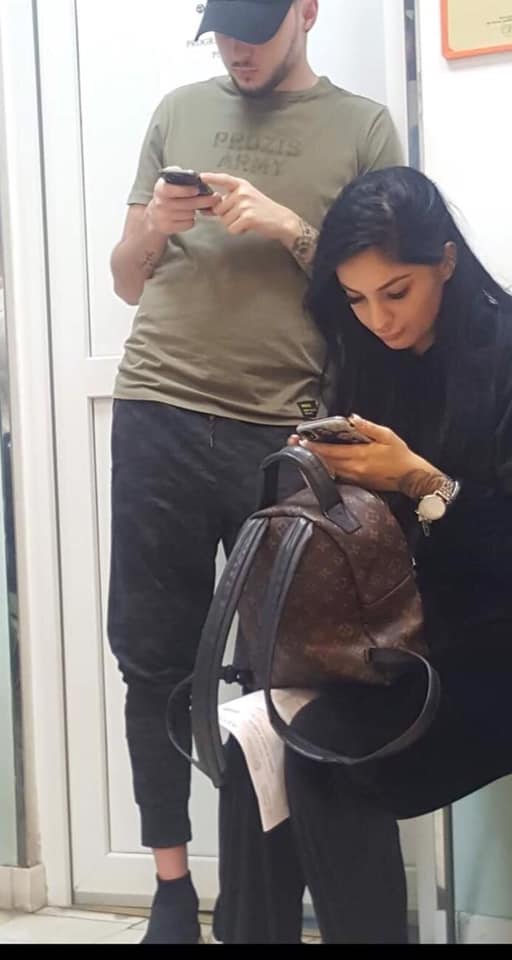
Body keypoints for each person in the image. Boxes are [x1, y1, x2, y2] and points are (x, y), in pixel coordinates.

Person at [108, 0, 402, 944]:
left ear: (306, 11)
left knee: (293, 671)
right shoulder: (178, 111)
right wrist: (154, 228)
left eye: (256, 29)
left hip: (283, 432)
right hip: (157, 409)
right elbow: (126, 278)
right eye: (223, 31)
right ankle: (169, 889)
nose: (237, 49)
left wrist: (293, 229)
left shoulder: (362, 128)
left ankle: (263, 901)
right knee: (150, 655)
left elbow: (384, 299)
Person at [214, 166, 512, 944]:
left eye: (396, 292)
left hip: (492, 654)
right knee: (254, 740)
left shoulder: (504, 355)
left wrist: (423, 483)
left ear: (446, 261)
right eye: (356, 298)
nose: (378, 318)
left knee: (325, 760)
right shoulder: (371, 356)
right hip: (396, 644)